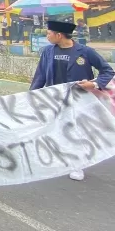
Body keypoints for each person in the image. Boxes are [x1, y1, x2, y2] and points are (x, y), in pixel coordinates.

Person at [31, 20, 115, 181]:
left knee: (77, 131)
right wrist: (33, 96)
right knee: (57, 128)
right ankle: (61, 158)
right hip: (56, 98)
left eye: (49, 33)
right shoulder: (48, 52)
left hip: (80, 99)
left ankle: (78, 165)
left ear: (59, 35)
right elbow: (40, 75)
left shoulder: (85, 52)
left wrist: (94, 83)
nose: (47, 36)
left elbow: (107, 71)